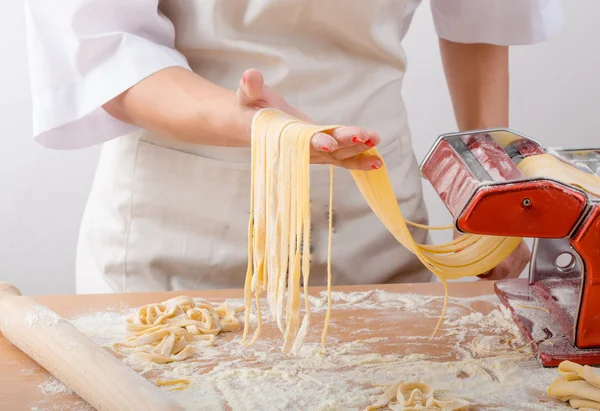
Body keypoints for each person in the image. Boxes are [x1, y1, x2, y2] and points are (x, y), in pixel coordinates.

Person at [24, 0, 563, 294]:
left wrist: (493, 185)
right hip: (180, 230)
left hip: (373, 217)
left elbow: (483, 15)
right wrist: (252, 124)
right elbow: (107, 49)